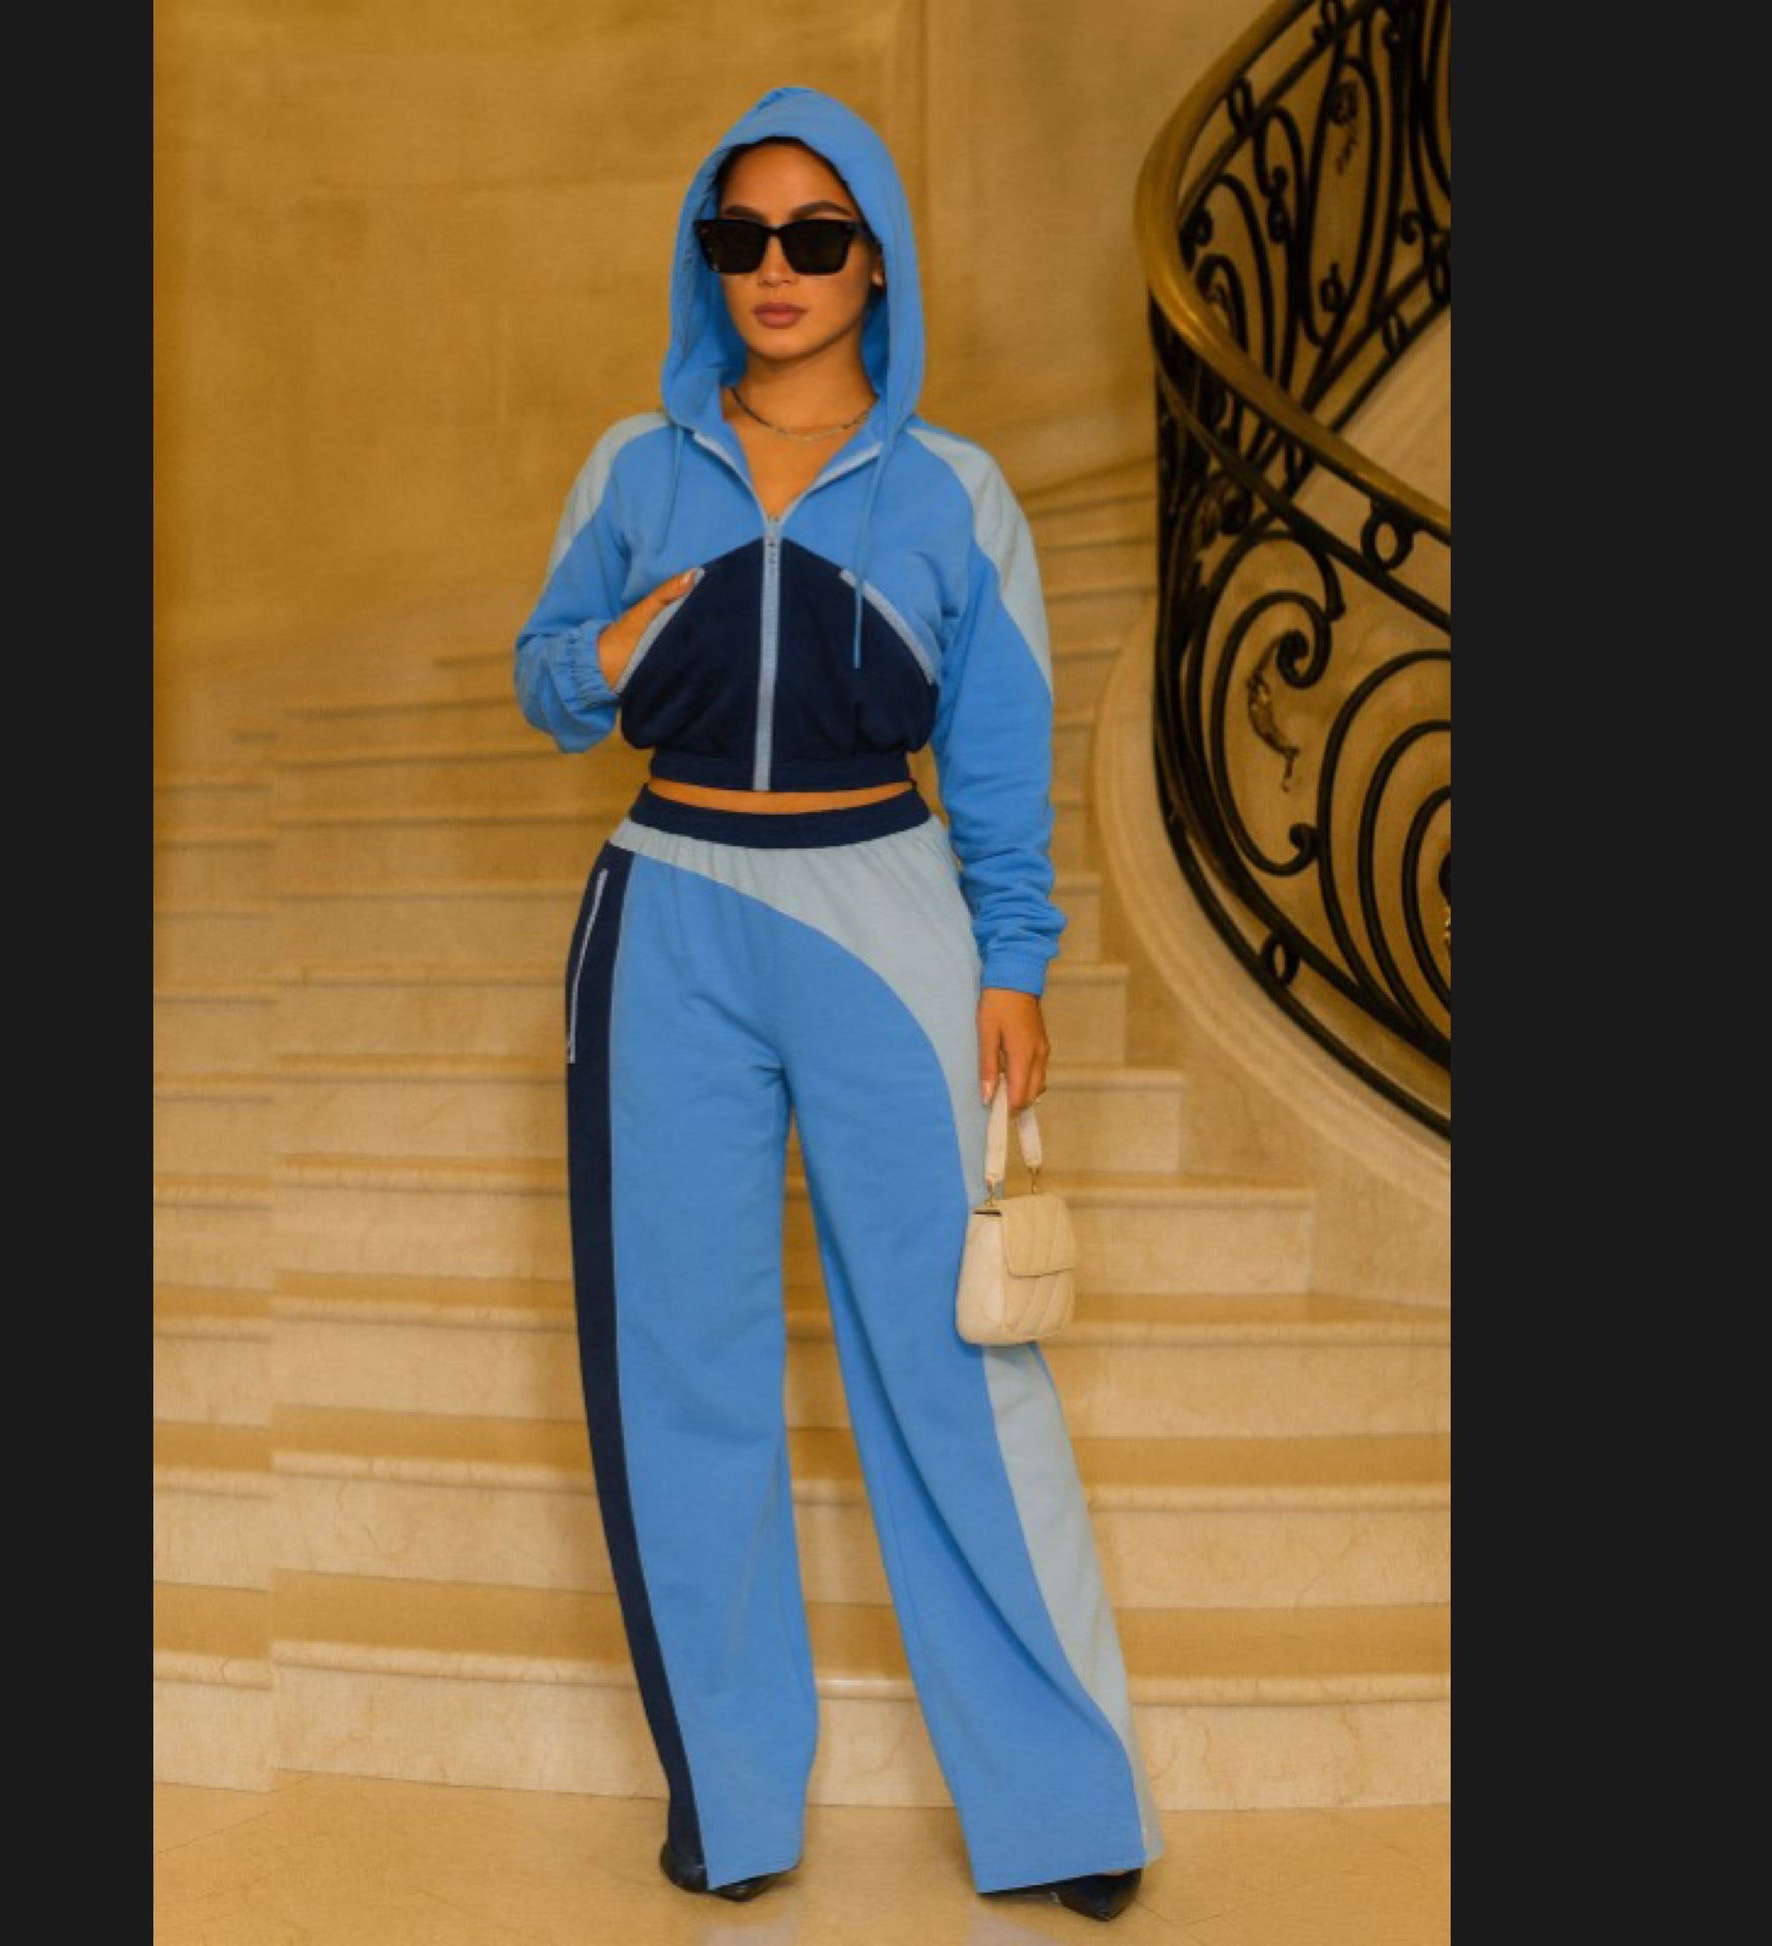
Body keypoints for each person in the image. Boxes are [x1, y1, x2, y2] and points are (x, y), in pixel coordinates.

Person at [513, 85, 1163, 1923]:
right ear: (706, 261)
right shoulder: (634, 466)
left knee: (959, 1359)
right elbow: (546, 683)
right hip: (668, 913)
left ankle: (1063, 1800)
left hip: (887, 916)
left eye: (815, 235)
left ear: (875, 261)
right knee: (681, 1361)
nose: (774, 269)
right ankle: (729, 1804)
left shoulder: (954, 491)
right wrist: (614, 643)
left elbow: (1003, 754)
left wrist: (1015, 960)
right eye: (740, 237)